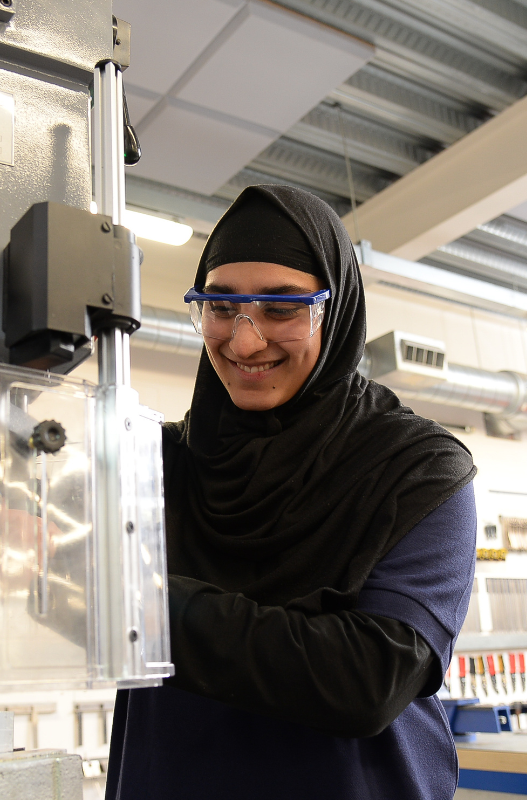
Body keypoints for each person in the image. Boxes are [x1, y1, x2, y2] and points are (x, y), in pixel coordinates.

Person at [105, 185, 478, 799]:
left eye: (282, 308)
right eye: (221, 308)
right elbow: (67, 606)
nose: (245, 342)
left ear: (337, 310)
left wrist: (125, 597)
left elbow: (366, 681)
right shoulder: (154, 463)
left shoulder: (418, 470)